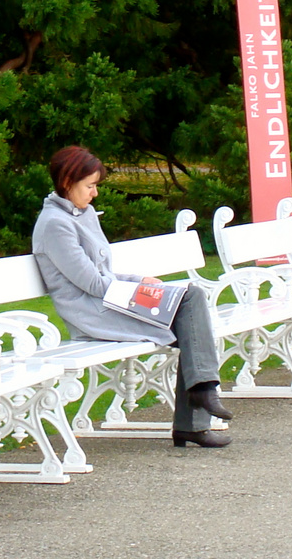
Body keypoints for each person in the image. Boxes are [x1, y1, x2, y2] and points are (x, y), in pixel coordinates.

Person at [32, 144, 232, 448]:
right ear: (66, 183)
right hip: (93, 313)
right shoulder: (55, 225)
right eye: (90, 186)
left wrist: (141, 282)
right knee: (190, 313)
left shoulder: (82, 213)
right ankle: (198, 404)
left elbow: (105, 275)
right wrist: (140, 291)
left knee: (192, 299)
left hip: (110, 301)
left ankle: (201, 395)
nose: (95, 193)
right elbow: (93, 285)